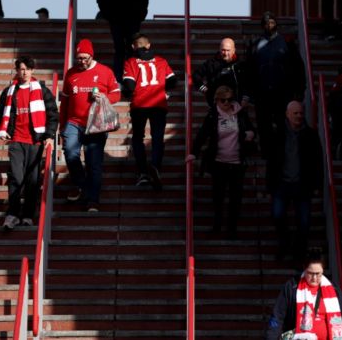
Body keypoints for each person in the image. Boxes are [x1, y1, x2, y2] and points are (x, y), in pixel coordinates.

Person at [0, 57, 58, 230]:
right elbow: (1, 112)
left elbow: (53, 114)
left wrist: (49, 135)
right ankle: (13, 214)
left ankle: (29, 214)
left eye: (27, 69)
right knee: (16, 177)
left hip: (34, 141)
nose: (24, 73)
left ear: (32, 70)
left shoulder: (43, 91)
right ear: (16, 70)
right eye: (21, 69)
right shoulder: (9, 91)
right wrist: (2, 129)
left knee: (32, 180)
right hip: (16, 139)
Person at [186, 86, 255, 238]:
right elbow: (202, 134)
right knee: (218, 197)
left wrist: (250, 133)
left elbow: (250, 129)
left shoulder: (240, 113)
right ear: (216, 100)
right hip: (219, 162)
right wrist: (193, 153)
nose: (226, 103)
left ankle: (232, 229)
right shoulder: (213, 115)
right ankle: (217, 227)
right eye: (223, 100)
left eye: (230, 100)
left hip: (237, 163)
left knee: (235, 198)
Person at [60, 38, 120, 211]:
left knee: (94, 163)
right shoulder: (71, 74)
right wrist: (62, 124)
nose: (82, 62)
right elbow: (64, 101)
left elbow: (116, 94)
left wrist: (104, 96)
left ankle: (93, 199)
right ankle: (81, 184)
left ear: (91, 56)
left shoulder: (104, 71)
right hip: (74, 122)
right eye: (78, 58)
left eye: (85, 58)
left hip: (96, 124)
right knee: (70, 152)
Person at [265, 248, 342, 340]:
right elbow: (277, 316)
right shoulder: (291, 287)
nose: (314, 278)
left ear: (323, 270)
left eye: (318, 274)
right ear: (304, 268)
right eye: (310, 273)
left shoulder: (333, 288)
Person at [267, 101, 323, 261]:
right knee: (277, 214)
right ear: (287, 114)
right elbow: (271, 160)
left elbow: (317, 161)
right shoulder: (278, 134)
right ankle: (284, 243)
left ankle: (298, 252)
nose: (299, 116)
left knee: (304, 222)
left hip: (302, 184)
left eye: (300, 113)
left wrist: (317, 183)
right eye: (295, 113)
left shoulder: (311, 135)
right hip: (282, 183)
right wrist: (269, 184)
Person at [245, 11, 304, 158]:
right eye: (266, 23)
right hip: (262, 93)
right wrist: (249, 93)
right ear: (262, 26)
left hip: (282, 92)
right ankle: (267, 153)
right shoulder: (255, 45)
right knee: (264, 125)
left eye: (271, 22)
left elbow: (299, 68)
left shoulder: (287, 43)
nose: (269, 25)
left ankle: (284, 151)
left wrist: (300, 90)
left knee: (282, 123)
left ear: (276, 24)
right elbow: (248, 70)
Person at [122, 33, 176, 190]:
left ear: (134, 47)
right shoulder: (161, 61)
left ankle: (143, 172)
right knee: (157, 138)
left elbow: (130, 86)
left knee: (138, 137)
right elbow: (173, 80)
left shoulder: (131, 61)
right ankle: (156, 167)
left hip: (140, 104)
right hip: (159, 103)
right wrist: (161, 88)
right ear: (149, 45)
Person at [96, 0, 149, 82]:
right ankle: (133, 77)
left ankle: (118, 78)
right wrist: (141, 15)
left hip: (115, 19)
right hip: (133, 18)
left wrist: (107, 14)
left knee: (119, 49)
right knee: (133, 48)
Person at [192, 37, 249, 107]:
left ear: (234, 50)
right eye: (223, 50)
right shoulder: (211, 64)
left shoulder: (241, 65)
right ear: (219, 50)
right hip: (216, 106)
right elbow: (196, 75)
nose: (225, 53)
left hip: (237, 105)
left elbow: (249, 82)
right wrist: (204, 89)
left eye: (228, 50)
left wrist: (245, 98)